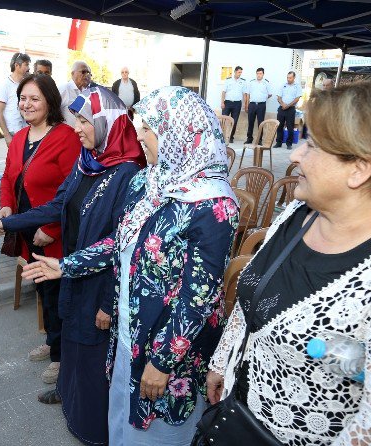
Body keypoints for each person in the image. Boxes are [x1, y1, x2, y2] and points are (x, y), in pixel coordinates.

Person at [206, 82, 371, 445]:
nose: (295, 154)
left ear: (359, 169)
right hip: (235, 418)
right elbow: (251, 295)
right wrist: (223, 362)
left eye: (311, 144)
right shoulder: (298, 215)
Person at [23, 86, 239, 445]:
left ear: (180, 134)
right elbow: (119, 241)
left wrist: (163, 362)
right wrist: (66, 265)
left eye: (149, 128)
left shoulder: (213, 206)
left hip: (167, 352)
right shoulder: (149, 180)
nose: (138, 135)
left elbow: (197, 299)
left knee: (157, 434)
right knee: (122, 424)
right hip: (128, 336)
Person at [0, 86, 146, 445]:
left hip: (101, 279)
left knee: (93, 353)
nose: (77, 128)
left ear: (108, 123)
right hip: (73, 268)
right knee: (73, 341)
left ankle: (93, 429)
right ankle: (72, 405)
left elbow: (123, 246)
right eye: (76, 120)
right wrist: (5, 223)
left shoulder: (128, 174)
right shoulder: (89, 162)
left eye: (85, 121)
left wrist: (109, 301)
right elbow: (57, 205)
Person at [0, 73, 81, 383]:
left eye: (34, 98)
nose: (26, 104)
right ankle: (51, 342)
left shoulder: (66, 137)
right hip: (26, 231)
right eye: (22, 98)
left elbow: (73, 193)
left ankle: (61, 357)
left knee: (58, 295)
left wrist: (52, 229)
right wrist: (6, 205)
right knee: (42, 291)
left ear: (50, 102)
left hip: (52, 234)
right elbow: (8, 177)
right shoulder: (19, 138)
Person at [0, 52, 31, 147]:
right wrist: (7, 135)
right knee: (17, 161)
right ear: (16, 65)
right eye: (26, 65)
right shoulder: (5, 85)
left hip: (26, 130)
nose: (29, 68)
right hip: (13, 132)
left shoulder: (25, 84)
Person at [274, 71, 302, 151]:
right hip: (282, 108)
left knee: (290, 127)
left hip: (291, 109)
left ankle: (289, 143)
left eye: (290, 78)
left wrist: (288, 105)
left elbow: (297, 99)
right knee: (279, 126)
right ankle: (278, 142)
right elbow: (279, 97)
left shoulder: (297, 86)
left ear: (294, 78)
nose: (288, 79)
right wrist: (283, 104)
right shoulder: (283, 85)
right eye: (287, 77)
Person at [243, 67, 272, 144]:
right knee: (250, 122)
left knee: (260, 122)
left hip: (261, 105)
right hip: (252, 104)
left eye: (260, 73)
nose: (259, 75)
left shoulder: (266, 83)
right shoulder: (251, 82)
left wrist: (263, 98)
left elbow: (270, 94)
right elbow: (248, 94)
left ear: (263, 74)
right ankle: (249, 139)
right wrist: (246, 105)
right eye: (257, 73)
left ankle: (259, 140)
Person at [59, 61, 91, 127]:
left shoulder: (89, 91)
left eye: (88, 73)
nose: (86, 75)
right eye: (83, 72)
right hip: (67, 134)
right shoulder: (63, 90)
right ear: (73, 73)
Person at [221, 66, 245, 144]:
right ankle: (221, 136)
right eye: (239, 72)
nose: (240, 74)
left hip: (237, 103)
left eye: (241, 72)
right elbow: (224, 92)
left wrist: (244, 104)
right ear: (235, 72)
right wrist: (222, 102)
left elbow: (244, 93)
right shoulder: (228, 80)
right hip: (227, 102)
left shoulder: (243, 81)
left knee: (234, 121)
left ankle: (231, 137)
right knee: (224, 120)